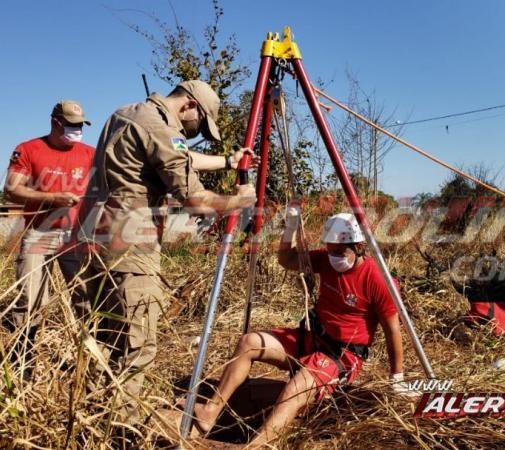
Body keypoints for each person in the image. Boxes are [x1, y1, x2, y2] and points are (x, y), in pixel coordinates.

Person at [74, 80, 257, 435]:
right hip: (129, 245)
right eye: (199, 126)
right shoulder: (161, 126)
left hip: (94, 237)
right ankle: (121, 434)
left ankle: (90, 422)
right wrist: (236, 201)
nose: (194, 133)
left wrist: (226, 161)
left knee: (102, 340)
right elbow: (194, 198)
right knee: (136, 345)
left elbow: (177, 157)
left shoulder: (127, 114)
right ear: (190, 106)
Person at [190, 208, 407, 446]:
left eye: (340, 251)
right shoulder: (326, 260)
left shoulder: (378, 279)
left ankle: (258, 445)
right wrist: (291, 227)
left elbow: (392, 330)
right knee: (249, 343)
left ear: (359, 247)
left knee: (295, 389)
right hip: (314, 340)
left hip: (342, 357)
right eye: (330, 249)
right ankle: (210, 412)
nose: (333, 256)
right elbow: (288, 260)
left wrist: (397, 378)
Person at [3, 100, 95, 373]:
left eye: (80, 125)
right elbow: (11, 190)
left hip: (76, 235)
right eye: (72, 124)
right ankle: (23, 365)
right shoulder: (28, 149)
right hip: (39, 234)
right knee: (30, 300)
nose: (77, 130)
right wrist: (51, 198)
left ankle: (91, 362)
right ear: (55, 122)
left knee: (87, 299)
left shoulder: (90, 153)